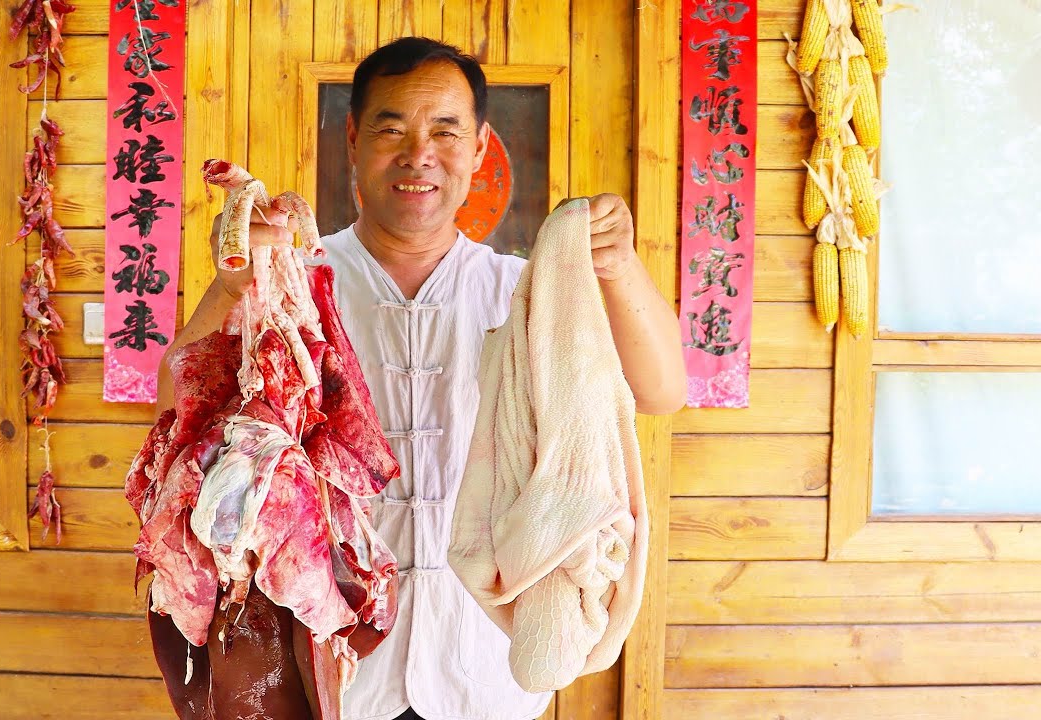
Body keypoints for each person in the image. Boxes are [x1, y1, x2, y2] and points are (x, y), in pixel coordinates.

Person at [157, 36, 686, 720]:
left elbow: (662, 391)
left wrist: (616, 268)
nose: (418, 154)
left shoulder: (524, 291)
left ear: (479, 146)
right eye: (390, 128)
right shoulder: (294, 281)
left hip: (484, 664)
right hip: (334, 662)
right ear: (352, 139)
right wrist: (233, 289)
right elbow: (175, 410)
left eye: (445, 130)